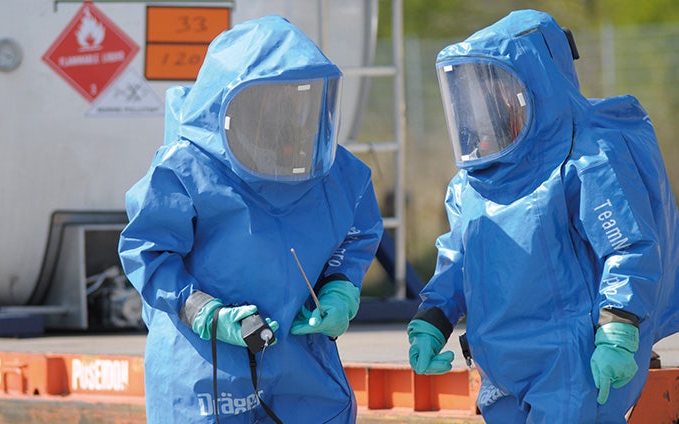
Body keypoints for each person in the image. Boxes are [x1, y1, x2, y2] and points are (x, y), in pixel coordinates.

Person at [407, 9, 679, 423]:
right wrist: (431, 321)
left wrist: (618, 327)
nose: (487, 108)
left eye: (500, 91)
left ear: (537, 86)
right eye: (478, 95)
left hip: (572, 364)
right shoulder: (469, 186)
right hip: (498, 368)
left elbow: (627, 247)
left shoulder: (586, 159)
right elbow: (458, 263)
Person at [118, 15, 383, 424]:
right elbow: (148, 253)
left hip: (303, 363)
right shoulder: (186, 170)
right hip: (206, 369)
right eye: (272, 103)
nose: (288, 117)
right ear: (228, 106)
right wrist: (204, 312)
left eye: (300, 102)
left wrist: (340, 288)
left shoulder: (337, 173)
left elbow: (356, 235)